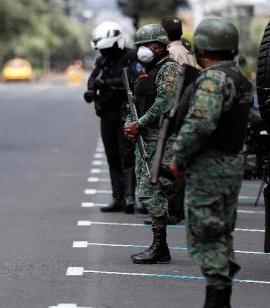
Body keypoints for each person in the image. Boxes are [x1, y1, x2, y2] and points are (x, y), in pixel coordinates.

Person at [169, 18, 252, 307]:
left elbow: (201, 123)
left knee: (207, 236)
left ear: (204, 49)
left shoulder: (213, 80)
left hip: (209, 170)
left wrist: (179, 157)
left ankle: (216, 300)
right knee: (221, 233)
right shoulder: (239, 79)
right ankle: (220, 298)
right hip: (230, 166)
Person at [124, 24, 180, 264]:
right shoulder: (145, 70)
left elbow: (164, 103)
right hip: (144, 137)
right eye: (139, 46)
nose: (141, 50)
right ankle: (160, 245)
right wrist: (129, 124)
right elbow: (134, 103)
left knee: (152, 190)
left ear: (158, 46)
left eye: (145, 46)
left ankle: (160, 247)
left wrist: (139, 123)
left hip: (160, 136)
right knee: (146, 191)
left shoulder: (169, 69)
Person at [84, 21, 138, 214]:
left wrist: (104, 83)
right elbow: (93, 79)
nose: (104, 52)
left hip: (125, 112)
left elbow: (132, 81)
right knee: (112, 156)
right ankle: (118, 198)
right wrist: (91, 90)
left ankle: (131, 197)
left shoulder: (131, 56)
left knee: (128, 155)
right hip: (106, 113)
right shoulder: (102, 60)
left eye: (107, 48)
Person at [158, 15, 198, 225]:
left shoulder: (170, 54)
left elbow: (170, 87)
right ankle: (179, 209)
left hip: (175, 111)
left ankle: (173, 210)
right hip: (189, 109)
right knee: (182, 159)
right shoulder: (188, 53)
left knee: (170, 160)